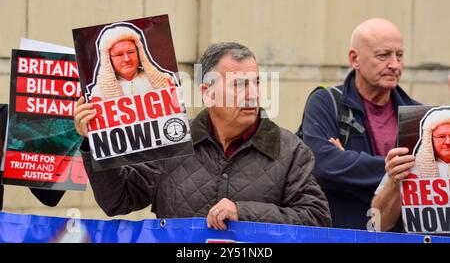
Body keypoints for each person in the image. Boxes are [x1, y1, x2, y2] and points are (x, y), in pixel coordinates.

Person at [74, 42, 331, 229]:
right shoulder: (170, 139)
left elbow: (317, 219)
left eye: (256, 82)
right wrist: (93, 141)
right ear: (208, 93)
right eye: (239, 84)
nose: (253, 93)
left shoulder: (289, 149)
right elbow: (118, 201)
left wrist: (244, 212)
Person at [299, 18, 419, 230]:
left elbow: (427, 182)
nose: (394, 65)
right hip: (342, 234)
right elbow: (323, 165)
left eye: (399, 55)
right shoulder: (326, 102)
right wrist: (395, 172)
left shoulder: (417, 115)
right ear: (354, 58)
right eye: (383, 55)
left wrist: (349, 167)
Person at [372, 107, 450, 232]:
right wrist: (393, 183)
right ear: (429, 138)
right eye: (441, 137)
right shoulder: (407, 164)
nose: (448, 142)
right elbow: (377, 224)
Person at [88, 24, 175, 100]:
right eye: (119, 55)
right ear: (108, 59)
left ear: (139, 53)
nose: (127, 59)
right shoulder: (99, 93)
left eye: (131, 52)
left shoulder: (165, 80)